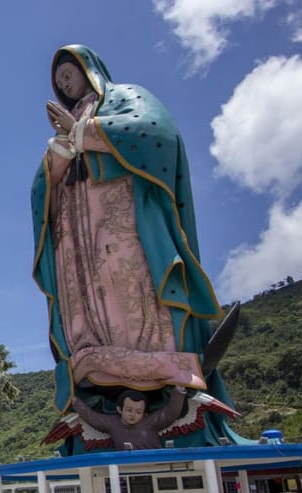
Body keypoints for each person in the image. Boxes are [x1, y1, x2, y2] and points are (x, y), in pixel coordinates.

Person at [31, 44, 239, 452]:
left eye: (69, 75)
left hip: (120, 217)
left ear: (89, 69)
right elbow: (42, 190)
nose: (65, 84)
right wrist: (60, 153)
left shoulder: (124, 98)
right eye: (59, 82)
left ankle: (160, 370)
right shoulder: (64, 127)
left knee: (131, 287)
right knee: (88, 300)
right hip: (77, 235)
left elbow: (155, 132)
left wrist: (84, 133)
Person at [72, 386, 187, 451]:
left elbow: (170, 413)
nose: (133, 414)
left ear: (144, 414)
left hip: (154, 461)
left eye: (138, 412)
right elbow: (93, 418)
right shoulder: (113, 423)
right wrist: (75, 402)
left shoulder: (150, 422)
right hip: (126, 466)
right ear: (119, 409)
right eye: (129, 410)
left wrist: (178, 392)